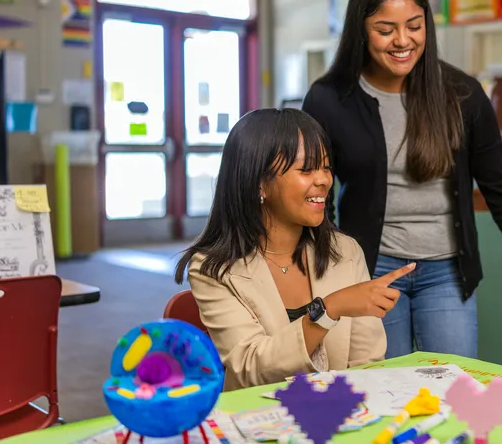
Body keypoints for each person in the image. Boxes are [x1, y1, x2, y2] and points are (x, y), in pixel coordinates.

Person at [302, 0, 502, 359]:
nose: (403, 41)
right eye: (386, 30)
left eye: (414, 26)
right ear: (360, 29)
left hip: (446, 273)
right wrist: (327, 273)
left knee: (453, 388)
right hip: (372, 269)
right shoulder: (329, 99)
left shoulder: (462, 94)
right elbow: (318, 196)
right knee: (385, 390)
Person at [174, 108, 415, 390]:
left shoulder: (346, 253)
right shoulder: (213, 268)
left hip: (341, 418)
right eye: (307, 169)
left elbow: (367, 365)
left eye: (326, 167)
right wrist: (329, 310)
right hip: (258, 420)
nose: (324, 180)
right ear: (259, 183)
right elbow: (250, 367)